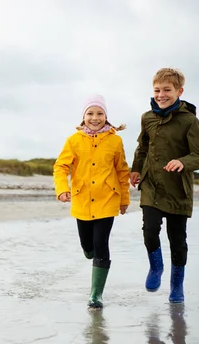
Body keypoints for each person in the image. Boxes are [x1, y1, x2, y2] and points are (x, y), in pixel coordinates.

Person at [130, 68, 199, 303]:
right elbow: (142, 147)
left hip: (178, 188)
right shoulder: (147, 118)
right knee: (149, 230)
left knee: (177, 239)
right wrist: (136, 169)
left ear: (179, 91)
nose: (161, 95)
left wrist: (182, 162)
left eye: (167, 90)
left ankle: (177, 285)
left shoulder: (189, 121)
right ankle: (156, 268)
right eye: (157, 90)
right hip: (151, 185)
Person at [54, 94, 130, 309]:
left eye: (99, 113)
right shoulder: (74, 140)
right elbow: (61, 167)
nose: (94, 118)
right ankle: (90, 254)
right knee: (88, 246)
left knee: (100, 244)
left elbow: (122, 171)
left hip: (107, 199)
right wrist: (62, 189)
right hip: (81, 200)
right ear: (83, 117)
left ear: (106, 116)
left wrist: (124, 200)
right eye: (90, 113)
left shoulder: (115, 141)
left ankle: (96, 295)